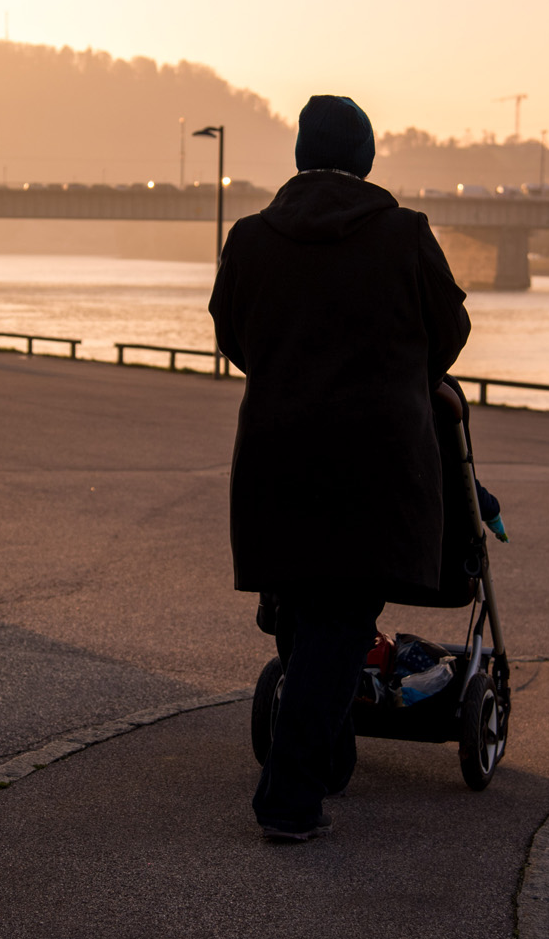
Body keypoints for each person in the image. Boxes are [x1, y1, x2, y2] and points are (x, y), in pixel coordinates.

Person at [209, 95, 472, 842]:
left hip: (275, 456)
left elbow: (233, 334)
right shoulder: (405, 235)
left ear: (298, 154)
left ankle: (328, 758)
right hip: (376, 468)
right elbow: (449, 334)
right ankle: (290, 799)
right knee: (340, 618)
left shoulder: (253, 239)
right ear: (366, 158)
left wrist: (292, 366)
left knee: (306, 612)